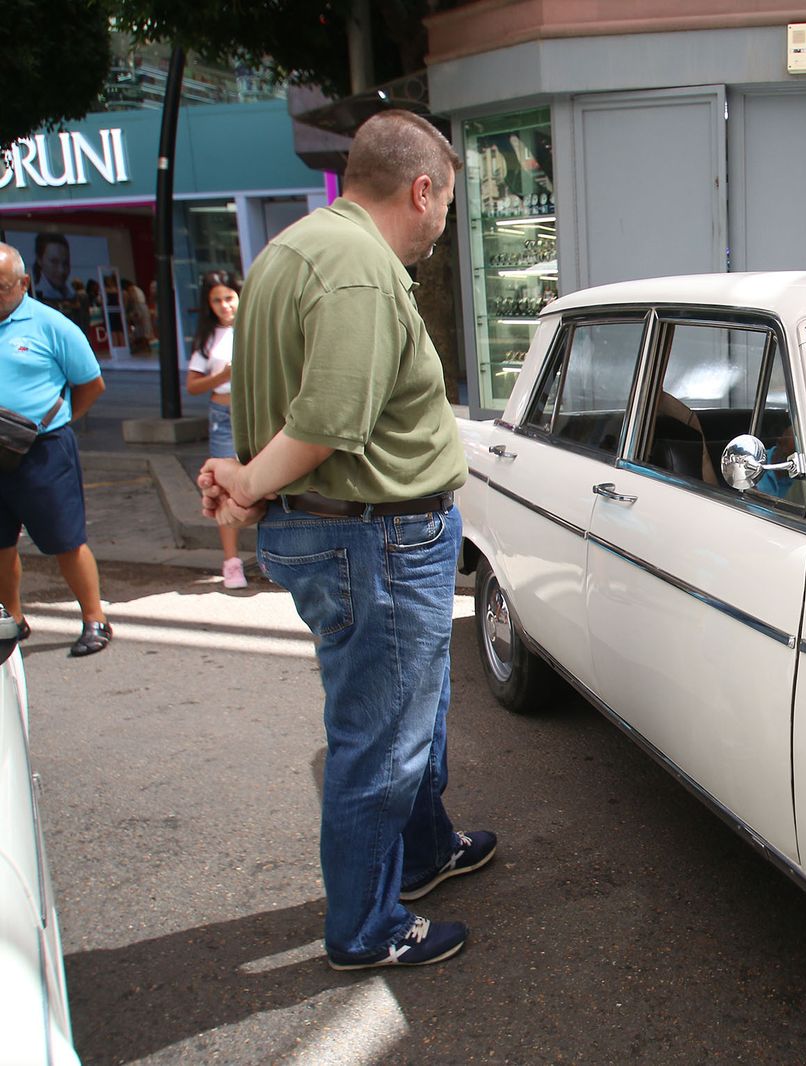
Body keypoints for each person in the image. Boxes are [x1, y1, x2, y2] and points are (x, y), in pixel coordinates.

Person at [197, 111, 493, 971]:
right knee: (381, 737)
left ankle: (427, 852)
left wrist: (251, 478)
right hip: (377, 536)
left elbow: (281, 403)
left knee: (412, 708)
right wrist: (250, 482)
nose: (444, 222)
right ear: (422, 189)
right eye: (446, 203)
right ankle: (367, 929)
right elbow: (327, 421)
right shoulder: (363, 270)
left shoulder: (294, 249)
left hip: (349, 529)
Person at [0, 242, 113, 657]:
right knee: (0, 543)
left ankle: (94, 617)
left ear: (24, 283)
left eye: (2, 287)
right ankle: (11, 618)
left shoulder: (51, 325)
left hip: (43, 448)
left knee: (66, 539)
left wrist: (55, 423)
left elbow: (90, 384)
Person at [185, 272, 247, 588]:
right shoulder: (208, 338)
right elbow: (193, 385)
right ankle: (231, 560)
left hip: (252, 412)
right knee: (223, 486)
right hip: (222, 412)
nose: (224, 306)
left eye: (228, 298)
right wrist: (223, 375)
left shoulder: (253, 327)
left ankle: (270, 555)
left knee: (266, 480)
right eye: (216, 300)